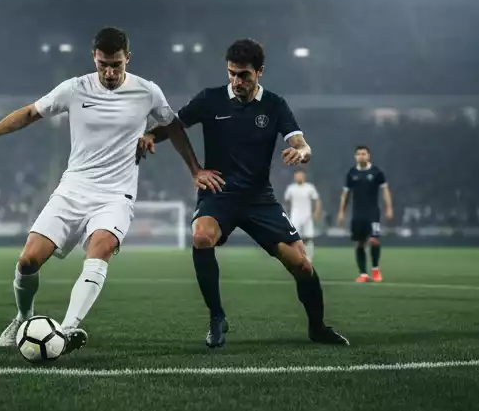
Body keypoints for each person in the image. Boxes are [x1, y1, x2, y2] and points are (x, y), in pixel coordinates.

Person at [0, 26, 214, 355]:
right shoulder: (74, 88)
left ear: (128, 58)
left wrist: (194, 168)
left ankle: (67, 330)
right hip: (73, 189)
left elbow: (174, 126)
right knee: (27, 262)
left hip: (116, 194)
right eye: (103, 65)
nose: (109, 72)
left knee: (102, 248)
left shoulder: (147, 91)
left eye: (116, 65)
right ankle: (23, 318)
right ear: (94, 57)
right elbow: (31, 112)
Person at [143, 38, 349, 348]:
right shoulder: (210, 99)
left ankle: (317, 327)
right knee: (201, 236)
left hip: (259, 198)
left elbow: (300, 143)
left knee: (303, 265)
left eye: (244, 75)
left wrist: (302, 151)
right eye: (232, 73)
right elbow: (174, 125)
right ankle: (217, 317)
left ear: (259, 72)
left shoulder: (274, 104)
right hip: (219, 193)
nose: (237, 81)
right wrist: (153, 137)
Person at [335, 146, 393, 282]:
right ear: (355, 157)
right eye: (359, 154)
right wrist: (341, 212)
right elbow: (345, 194)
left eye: (364, 154)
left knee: (374, 240)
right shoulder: (351, 173)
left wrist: (389, 208)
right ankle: (363, 274)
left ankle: (375, 269)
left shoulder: (377, 172)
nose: (361, 156)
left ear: (368, 156)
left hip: (373, 212)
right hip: (357, 213)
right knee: (359, 243)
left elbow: (385, 191)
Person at [283, 170, 322, 261]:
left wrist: (317, 212)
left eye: (300, 175)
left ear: (304, 176)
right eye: (297, 175)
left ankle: (309, 258)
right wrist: (285, 213)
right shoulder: (291, 188)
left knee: (308, 238)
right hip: (295, 216)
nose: (299, 177)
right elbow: (286, 202)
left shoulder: (310, 187)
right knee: (295, 238)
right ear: (294, 177)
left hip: (307, 216)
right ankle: (296, 256)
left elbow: (317, 200)